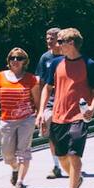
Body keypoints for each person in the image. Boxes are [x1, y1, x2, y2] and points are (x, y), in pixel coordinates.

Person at [38, 28, 94, 188]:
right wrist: (42, 111)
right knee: (62, 156)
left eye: (60, 42)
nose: (56, 45)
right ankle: (77, 178)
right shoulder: (56, 63)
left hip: (79, 116)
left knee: (74, 155)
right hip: (58, 116)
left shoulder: (89, 64)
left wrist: (92, 108)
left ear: (71, 43)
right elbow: (47, 88)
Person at [0, 48, 39, 188]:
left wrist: (40, 117)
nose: (15, 60)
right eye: (13, 58)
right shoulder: (0, 77)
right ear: (8, 60)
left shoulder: (30, 79)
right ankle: (15, 168)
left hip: (26, 119)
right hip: (7, 120)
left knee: (23, 152)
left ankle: (19, 183)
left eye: (19, 58)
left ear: (24, 62)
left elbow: (37, 101)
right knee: (8, 155)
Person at [34, 27, 65, 179]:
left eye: (52, 38)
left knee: (66, 134)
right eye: (47, 38)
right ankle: (56, 166)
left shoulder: (69, 57)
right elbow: (40, 84)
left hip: (67, 102)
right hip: (51, 102)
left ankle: (69, 161)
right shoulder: (45, 58)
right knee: (52, 134)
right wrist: (39, 107)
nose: (49, 41)